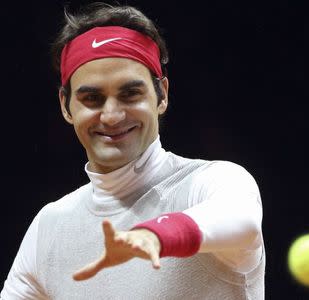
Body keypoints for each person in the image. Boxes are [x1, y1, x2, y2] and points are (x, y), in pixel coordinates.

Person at [1, 3, 265, 299]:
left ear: (161, 95)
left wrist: (155, 234)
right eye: (92, 98)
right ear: (66, 106)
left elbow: (241, 220)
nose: (111, 116)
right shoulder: (49, 227)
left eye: (130, 94)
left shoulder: (213, 182)